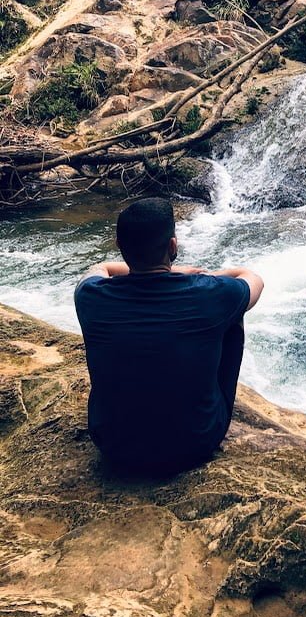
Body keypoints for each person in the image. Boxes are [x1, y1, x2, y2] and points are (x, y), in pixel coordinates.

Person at [74, 197, 264, 473]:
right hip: (195, 444)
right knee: (233, 314)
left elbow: (99, 268)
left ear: (120, 246)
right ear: (172, 245)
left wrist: (174, 272)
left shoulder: (89, 295)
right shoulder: (210, 294)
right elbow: (252, 278)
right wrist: (198, 276)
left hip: (114, 445)